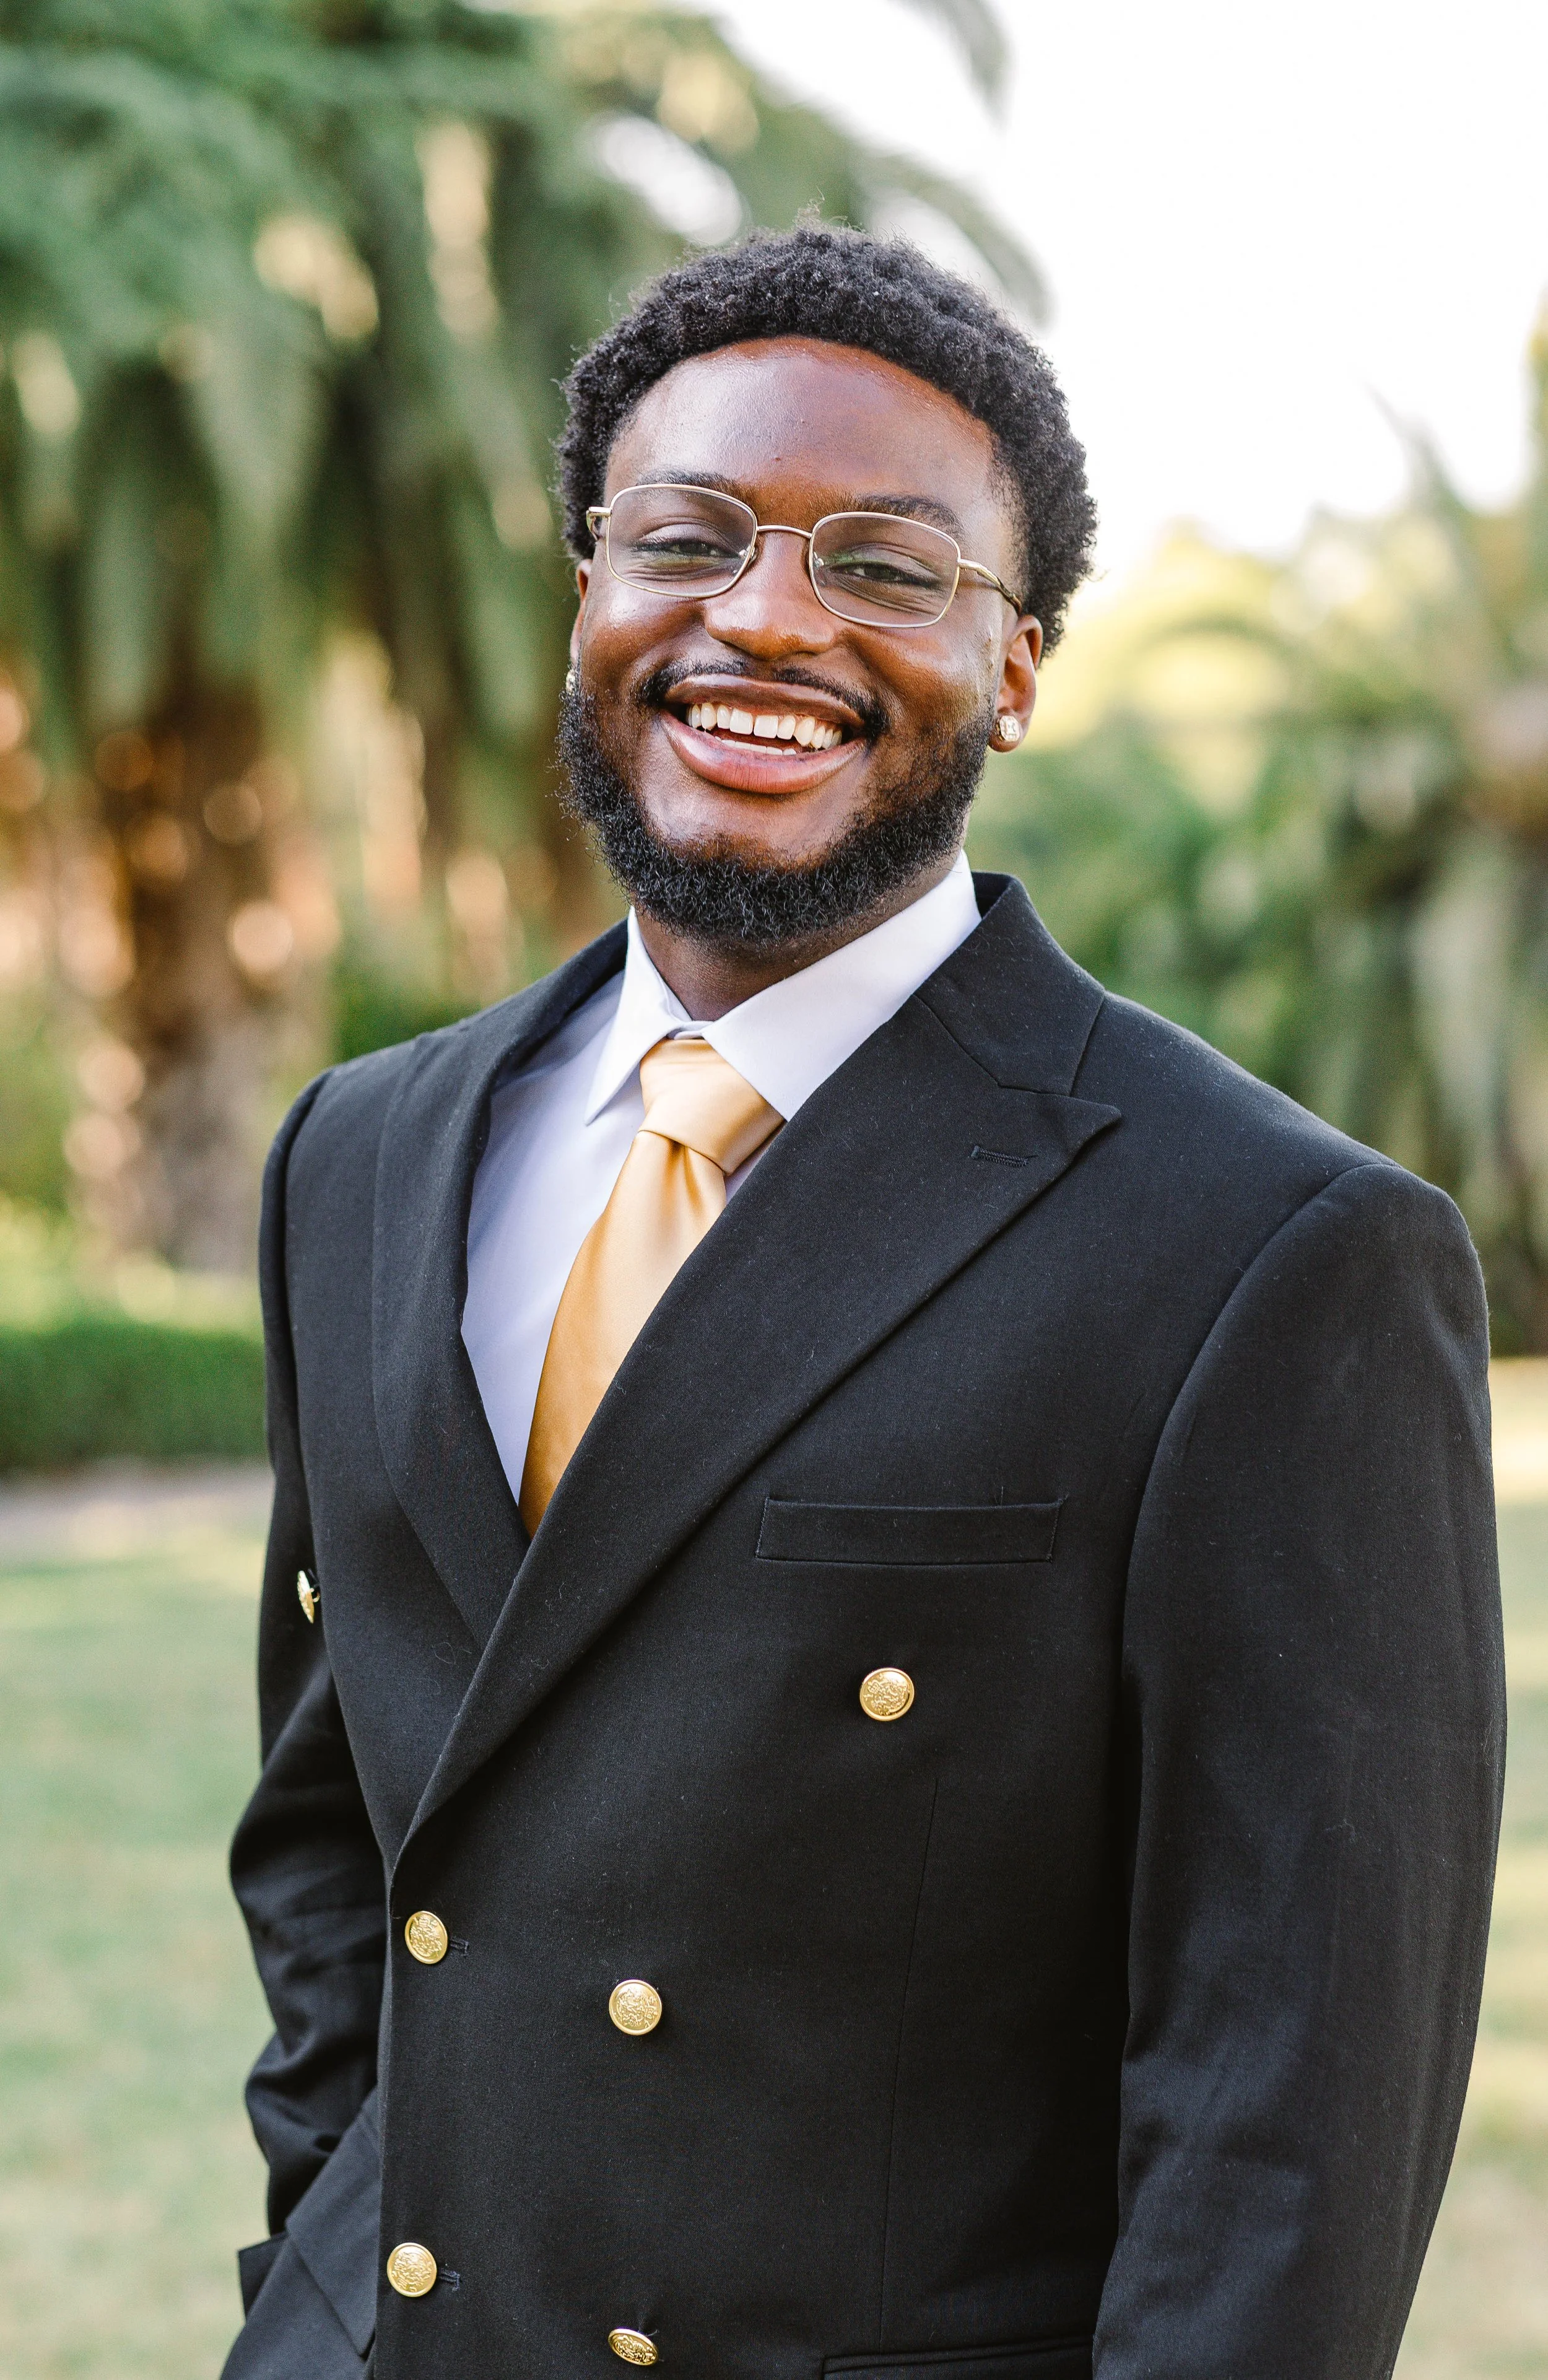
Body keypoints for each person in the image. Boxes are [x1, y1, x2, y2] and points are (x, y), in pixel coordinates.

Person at [220, 225, 1504, 2380]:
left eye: (885, 567)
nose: (764, 616)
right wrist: (310, 2291)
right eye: (684, 538)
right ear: (589, 594)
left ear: (1015, 665)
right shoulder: (355, 1154)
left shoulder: (1272, 1254)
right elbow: (331, 1848)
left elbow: (1288, 2116)